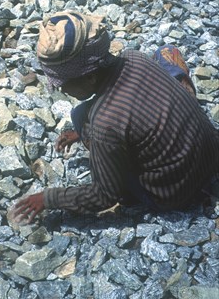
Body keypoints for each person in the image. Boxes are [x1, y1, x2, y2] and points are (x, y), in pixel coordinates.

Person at [14, 11, 219, 222]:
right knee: (165, 53)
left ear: (91, 76)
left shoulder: (105, 124)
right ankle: (185, 92)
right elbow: (138, 99)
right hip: (212, 154)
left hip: (173, 192)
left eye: (64, 83)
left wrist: (48, 198)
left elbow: (104, 196)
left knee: (79, 114)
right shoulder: (133, 57)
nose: (63, 90)